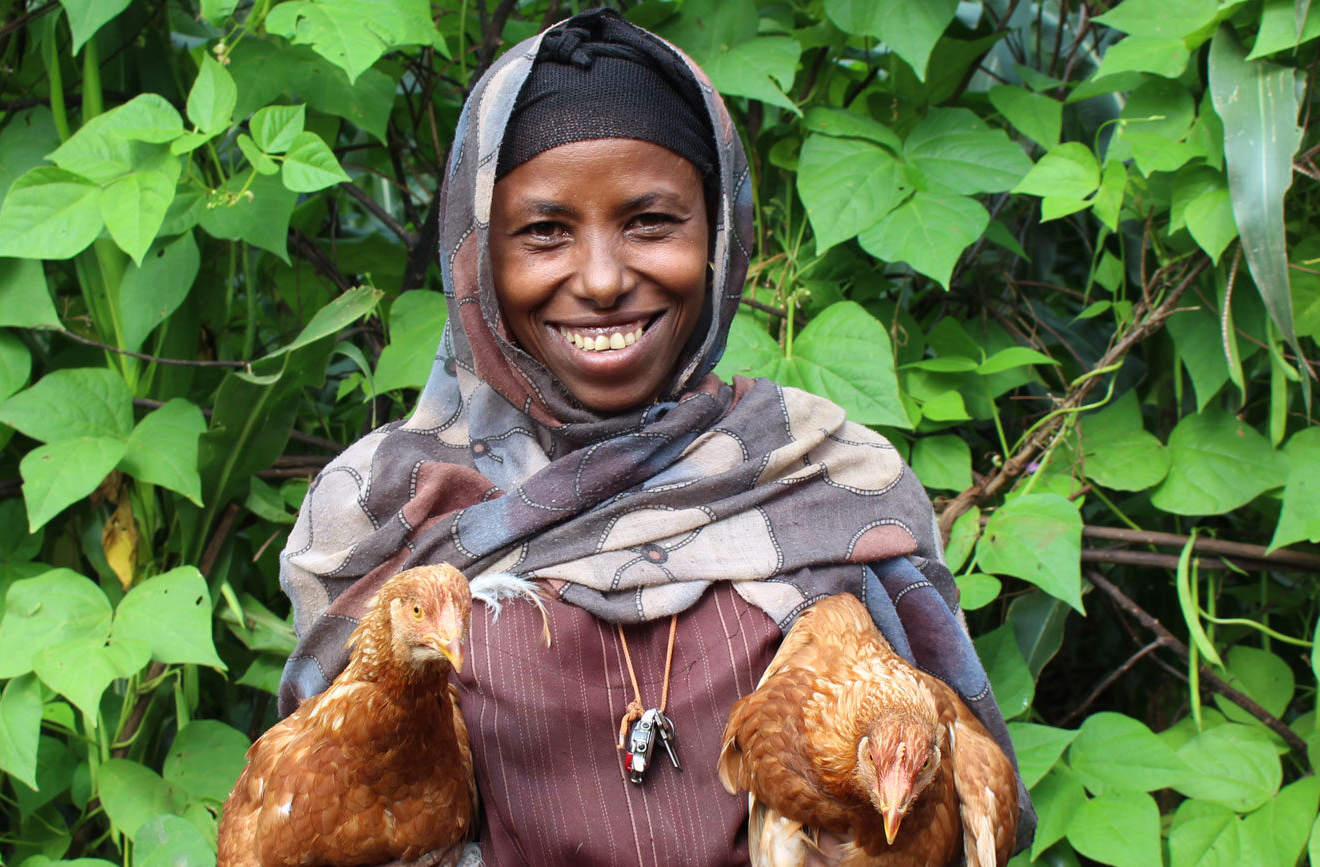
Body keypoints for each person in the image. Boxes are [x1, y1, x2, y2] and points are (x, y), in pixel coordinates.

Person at [276, 9, 1036, 864]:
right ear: (478, 255)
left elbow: (947, 808)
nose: (602, 279)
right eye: (544, 231)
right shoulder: (386, 510)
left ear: (718, 234)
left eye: (650, 222)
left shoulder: (832, 477)